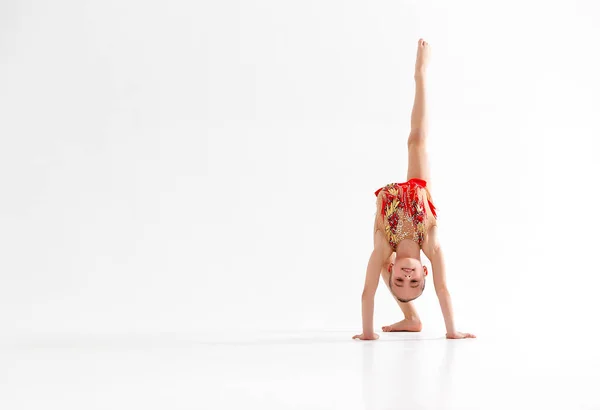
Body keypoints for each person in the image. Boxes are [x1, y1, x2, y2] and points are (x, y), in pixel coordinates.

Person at [353, 39, 476, 341]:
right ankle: (421, 73)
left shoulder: (385, 250)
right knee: (417, 140)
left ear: (394, 269)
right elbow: (443, 289)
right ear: (425, 273)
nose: (406, 278)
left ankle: (410, 319)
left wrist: (368, 334)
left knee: (376, 258)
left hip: (392, 211)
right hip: (418, 196)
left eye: (399, 280)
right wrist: (451, 331)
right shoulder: (430, 244)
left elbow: (367, 292)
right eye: (413, 281)